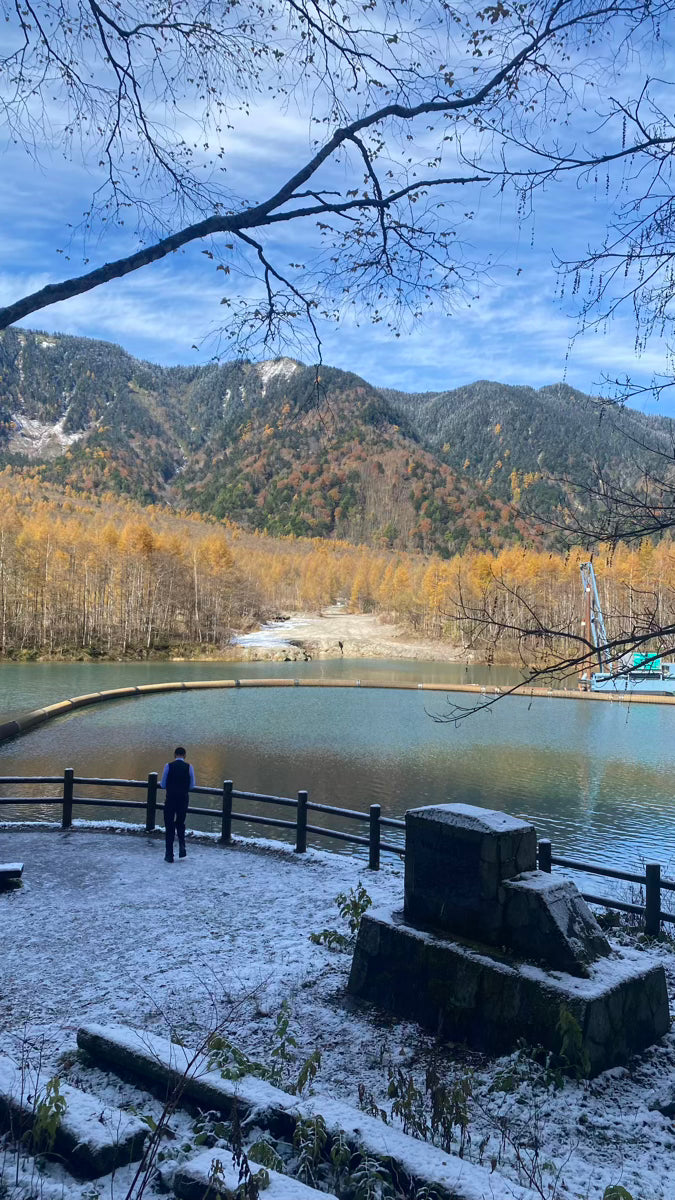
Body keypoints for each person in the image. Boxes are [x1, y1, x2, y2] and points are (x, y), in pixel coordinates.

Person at [159, 747, 195, 863]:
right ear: (185, 755)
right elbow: (192, 785)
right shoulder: (189, 767)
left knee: (169, 826)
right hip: (183, 799)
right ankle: (182, 848)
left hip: (170, 799)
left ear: (174, 755)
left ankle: (169, 854)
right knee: (180, 823)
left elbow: (163, 784)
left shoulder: (168, 766)